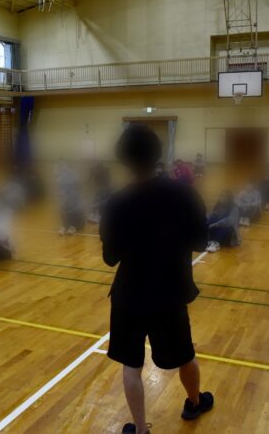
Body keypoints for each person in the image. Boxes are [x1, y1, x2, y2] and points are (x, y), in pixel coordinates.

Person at [100, 124, 213, 434]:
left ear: (123, 159)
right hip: (170, 293)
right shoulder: (184, 194)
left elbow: (110, 258)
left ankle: (140, 429)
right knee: (185, 355)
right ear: (158, 154)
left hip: (129, 295)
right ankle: (194, 402)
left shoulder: (116, 202)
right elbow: (201, 242)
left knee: (131, 364)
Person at [56, 163, 85, 235]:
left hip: (78, 220)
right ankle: (64, 226)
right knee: (63, 210)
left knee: (73, 212)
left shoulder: (78, 195)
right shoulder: (66, 194)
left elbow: (79, 208)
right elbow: (64, 205)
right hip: (70, 215)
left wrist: (68, 211)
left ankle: (73, 227)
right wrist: (62, 209)